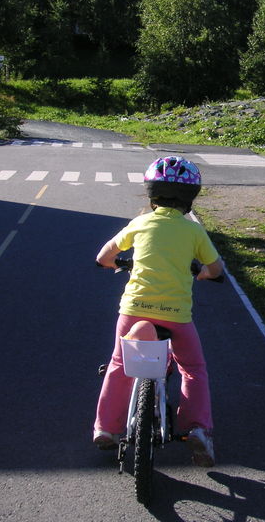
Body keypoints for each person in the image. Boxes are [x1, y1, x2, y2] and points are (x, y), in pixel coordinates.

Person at [93, 155, 223, 467]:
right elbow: (216, 268)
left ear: (152, 194)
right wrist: (204, 274)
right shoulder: (193, 231)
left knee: (119, 363)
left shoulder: (139, 223)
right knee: (192, 368)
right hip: (175, 315)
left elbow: (103, 257)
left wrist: (116, 263)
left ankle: (106, 429)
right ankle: (197, 429)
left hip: (134, 311)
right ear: (189, 198)